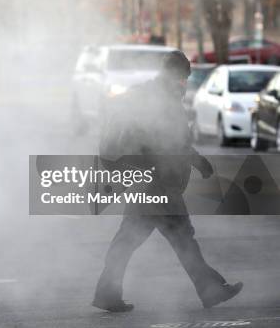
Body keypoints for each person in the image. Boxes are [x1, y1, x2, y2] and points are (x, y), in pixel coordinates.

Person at [92, 50, 243, 312]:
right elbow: (173, 144)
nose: (184, 83)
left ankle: (107, 292)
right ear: (175, 74)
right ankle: (211, 290)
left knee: (128, 240)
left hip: (144, 182)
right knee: (183, 239)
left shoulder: (148, 95)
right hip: (158, 184)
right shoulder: (163, 101)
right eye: (184, 78)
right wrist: (199, 162)